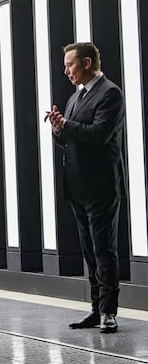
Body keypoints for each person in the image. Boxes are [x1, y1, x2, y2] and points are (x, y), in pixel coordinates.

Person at [45, 42, 125, 334]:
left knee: (104, 250)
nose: (66, 71)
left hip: (101, 185)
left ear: (87, 63)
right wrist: (58, 130)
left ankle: (109, 312)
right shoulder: (75, 98)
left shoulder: (110, 93)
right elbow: (70, 139)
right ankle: (95, 308)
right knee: (89, 251)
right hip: (77, 185)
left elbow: (100, 134)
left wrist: (65, 126)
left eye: (70, 64)